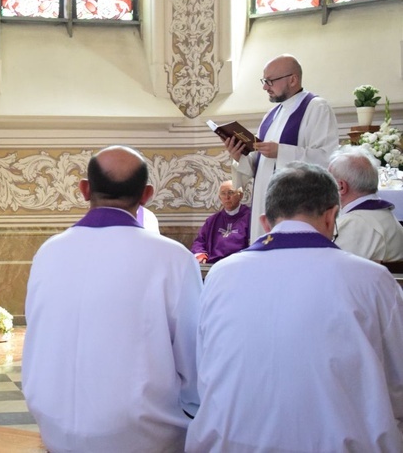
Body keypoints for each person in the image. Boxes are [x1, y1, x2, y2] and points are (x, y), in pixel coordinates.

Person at [186, 162, 403, 452]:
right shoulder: (372, 279)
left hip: (231, 442)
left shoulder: (221, 274)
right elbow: (397, 380)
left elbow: (206, 366)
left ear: (265, 222)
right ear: (332, 216)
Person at [22, 145, 202, 453]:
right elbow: (195, 360)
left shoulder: (48, 252)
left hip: (53, 428)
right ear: (147, 195)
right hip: (143, 436)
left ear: (84, 189)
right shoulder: (173, 258)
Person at [226, 54, 338, 243]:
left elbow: (327, 158)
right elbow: (260, 164)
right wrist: (240, 156)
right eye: (264, 81)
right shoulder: (271, 115)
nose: (264, 87)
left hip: (299, 206)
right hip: (266, 201)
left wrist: (282, 152)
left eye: (270, 81)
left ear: (293, 79)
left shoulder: (316, 107)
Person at [328, 145, 403, 262]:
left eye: (328, 182)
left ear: (341, 186)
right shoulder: (388, 216)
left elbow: (331, 269)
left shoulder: (353, 224)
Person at [190, 180, 250, 263]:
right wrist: (200, 255)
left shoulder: (250, 218)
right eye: (223, 193)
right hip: (214, 265)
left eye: (231, 193)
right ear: (219, 197)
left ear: (241, 195)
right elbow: (200, 241)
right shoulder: (212, 220)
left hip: (240, 265)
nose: (227, 197)